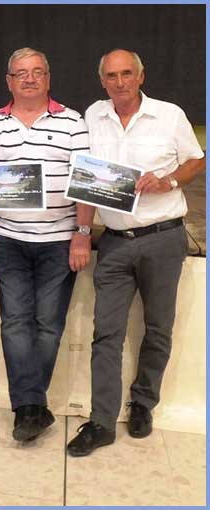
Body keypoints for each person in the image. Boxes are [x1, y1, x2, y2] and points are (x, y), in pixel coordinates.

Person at [66, 49, 205, 457]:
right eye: (111, 76)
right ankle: (101, 421)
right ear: (102, 81)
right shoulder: (93, 116)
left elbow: (196, 161)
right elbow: (86, 179)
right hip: (114, 241)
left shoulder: (169, 115)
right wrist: (81, 233)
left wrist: (168, 181)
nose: (120, 82)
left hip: (163, 238)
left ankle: (143, 403)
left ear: (141, 76)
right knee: (106, 333)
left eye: (127, 73)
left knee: (158, 328)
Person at [0, 47, 91, 442]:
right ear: (9, 81)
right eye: (21, 73)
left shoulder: (73, 122)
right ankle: (29, 408)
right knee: (16, 323)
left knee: (48, 326)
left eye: (37, 71)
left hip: (59, 240)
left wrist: (82, 234)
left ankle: (29, 405)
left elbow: (85, 183)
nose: (29, 78)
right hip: (8, 239)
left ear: (48, 78)